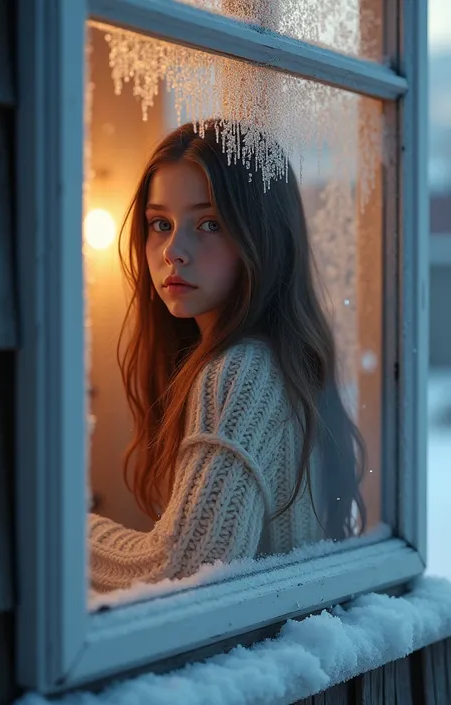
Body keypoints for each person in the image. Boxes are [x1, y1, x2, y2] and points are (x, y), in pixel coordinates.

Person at [88, 120, 366, 593]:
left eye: (210, 224)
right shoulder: (278, 359)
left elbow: (184, 573)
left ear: (262, 237)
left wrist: (63, 531)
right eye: (160, 224)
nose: (174, 250)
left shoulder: (243, 370)